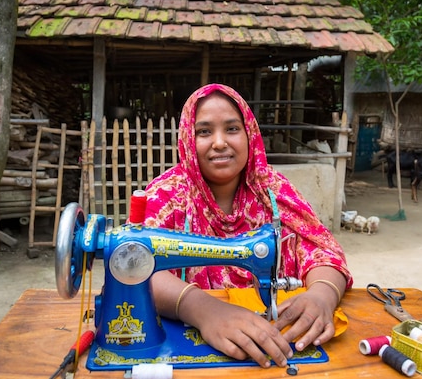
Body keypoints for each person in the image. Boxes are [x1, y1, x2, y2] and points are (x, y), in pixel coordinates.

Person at [144, 83, 352, 368]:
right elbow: (137, 268)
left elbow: (321, 251)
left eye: (232, 129)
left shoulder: (275, 191)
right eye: (204, 131)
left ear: (249, 134)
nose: (219, 142)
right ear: (187, 140)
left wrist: (322, 294)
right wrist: (203, 309)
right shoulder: (165, 196)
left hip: (276, 336)